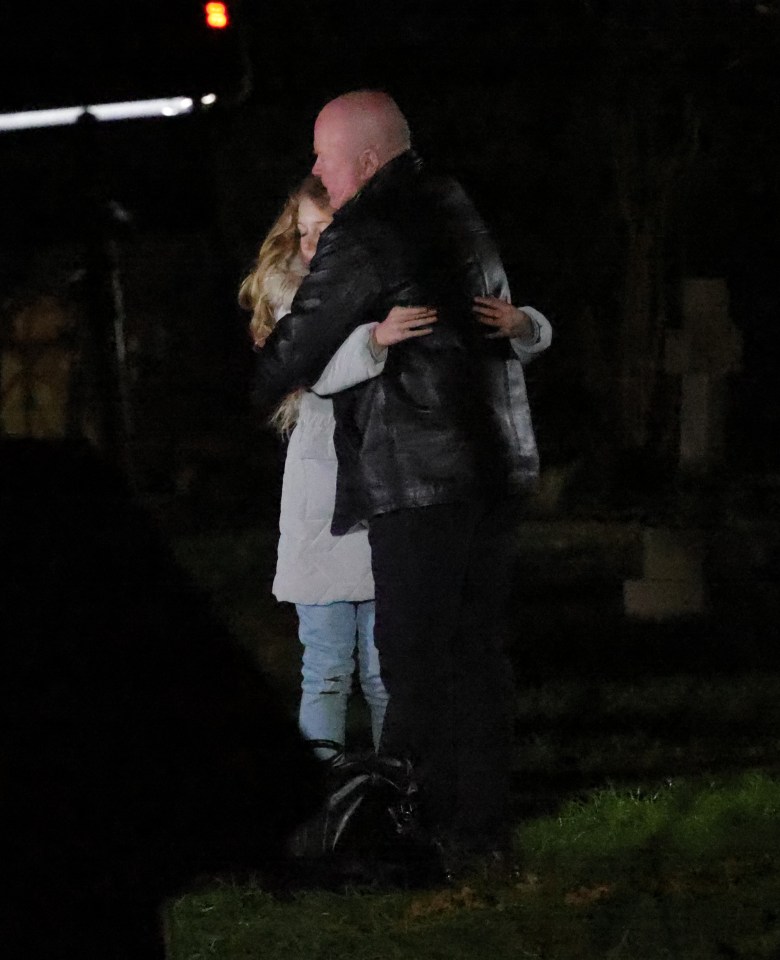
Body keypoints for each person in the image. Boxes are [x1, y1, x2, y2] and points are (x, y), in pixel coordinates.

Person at [252, 89, 551, 876]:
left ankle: (416, 833)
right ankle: (482, 832)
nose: (317, 168)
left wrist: (259, 382)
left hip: (422, 473)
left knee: (413, 659)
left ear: (367, 158)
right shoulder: (453, 203)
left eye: (325, 155)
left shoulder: (368, 227)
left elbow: (302, 342)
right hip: (493, 465)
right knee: (478, 655)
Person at [239, 174, 437, 760]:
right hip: (321, 503)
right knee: (325, 669)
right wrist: (375, 340)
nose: (308, 243)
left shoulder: (384, 282)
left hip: (381, 491)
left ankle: (392, 790)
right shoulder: (290, 304)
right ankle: (326, 794)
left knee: (383, 675)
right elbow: (313, 374)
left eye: (322, 230)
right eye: (301, 231)